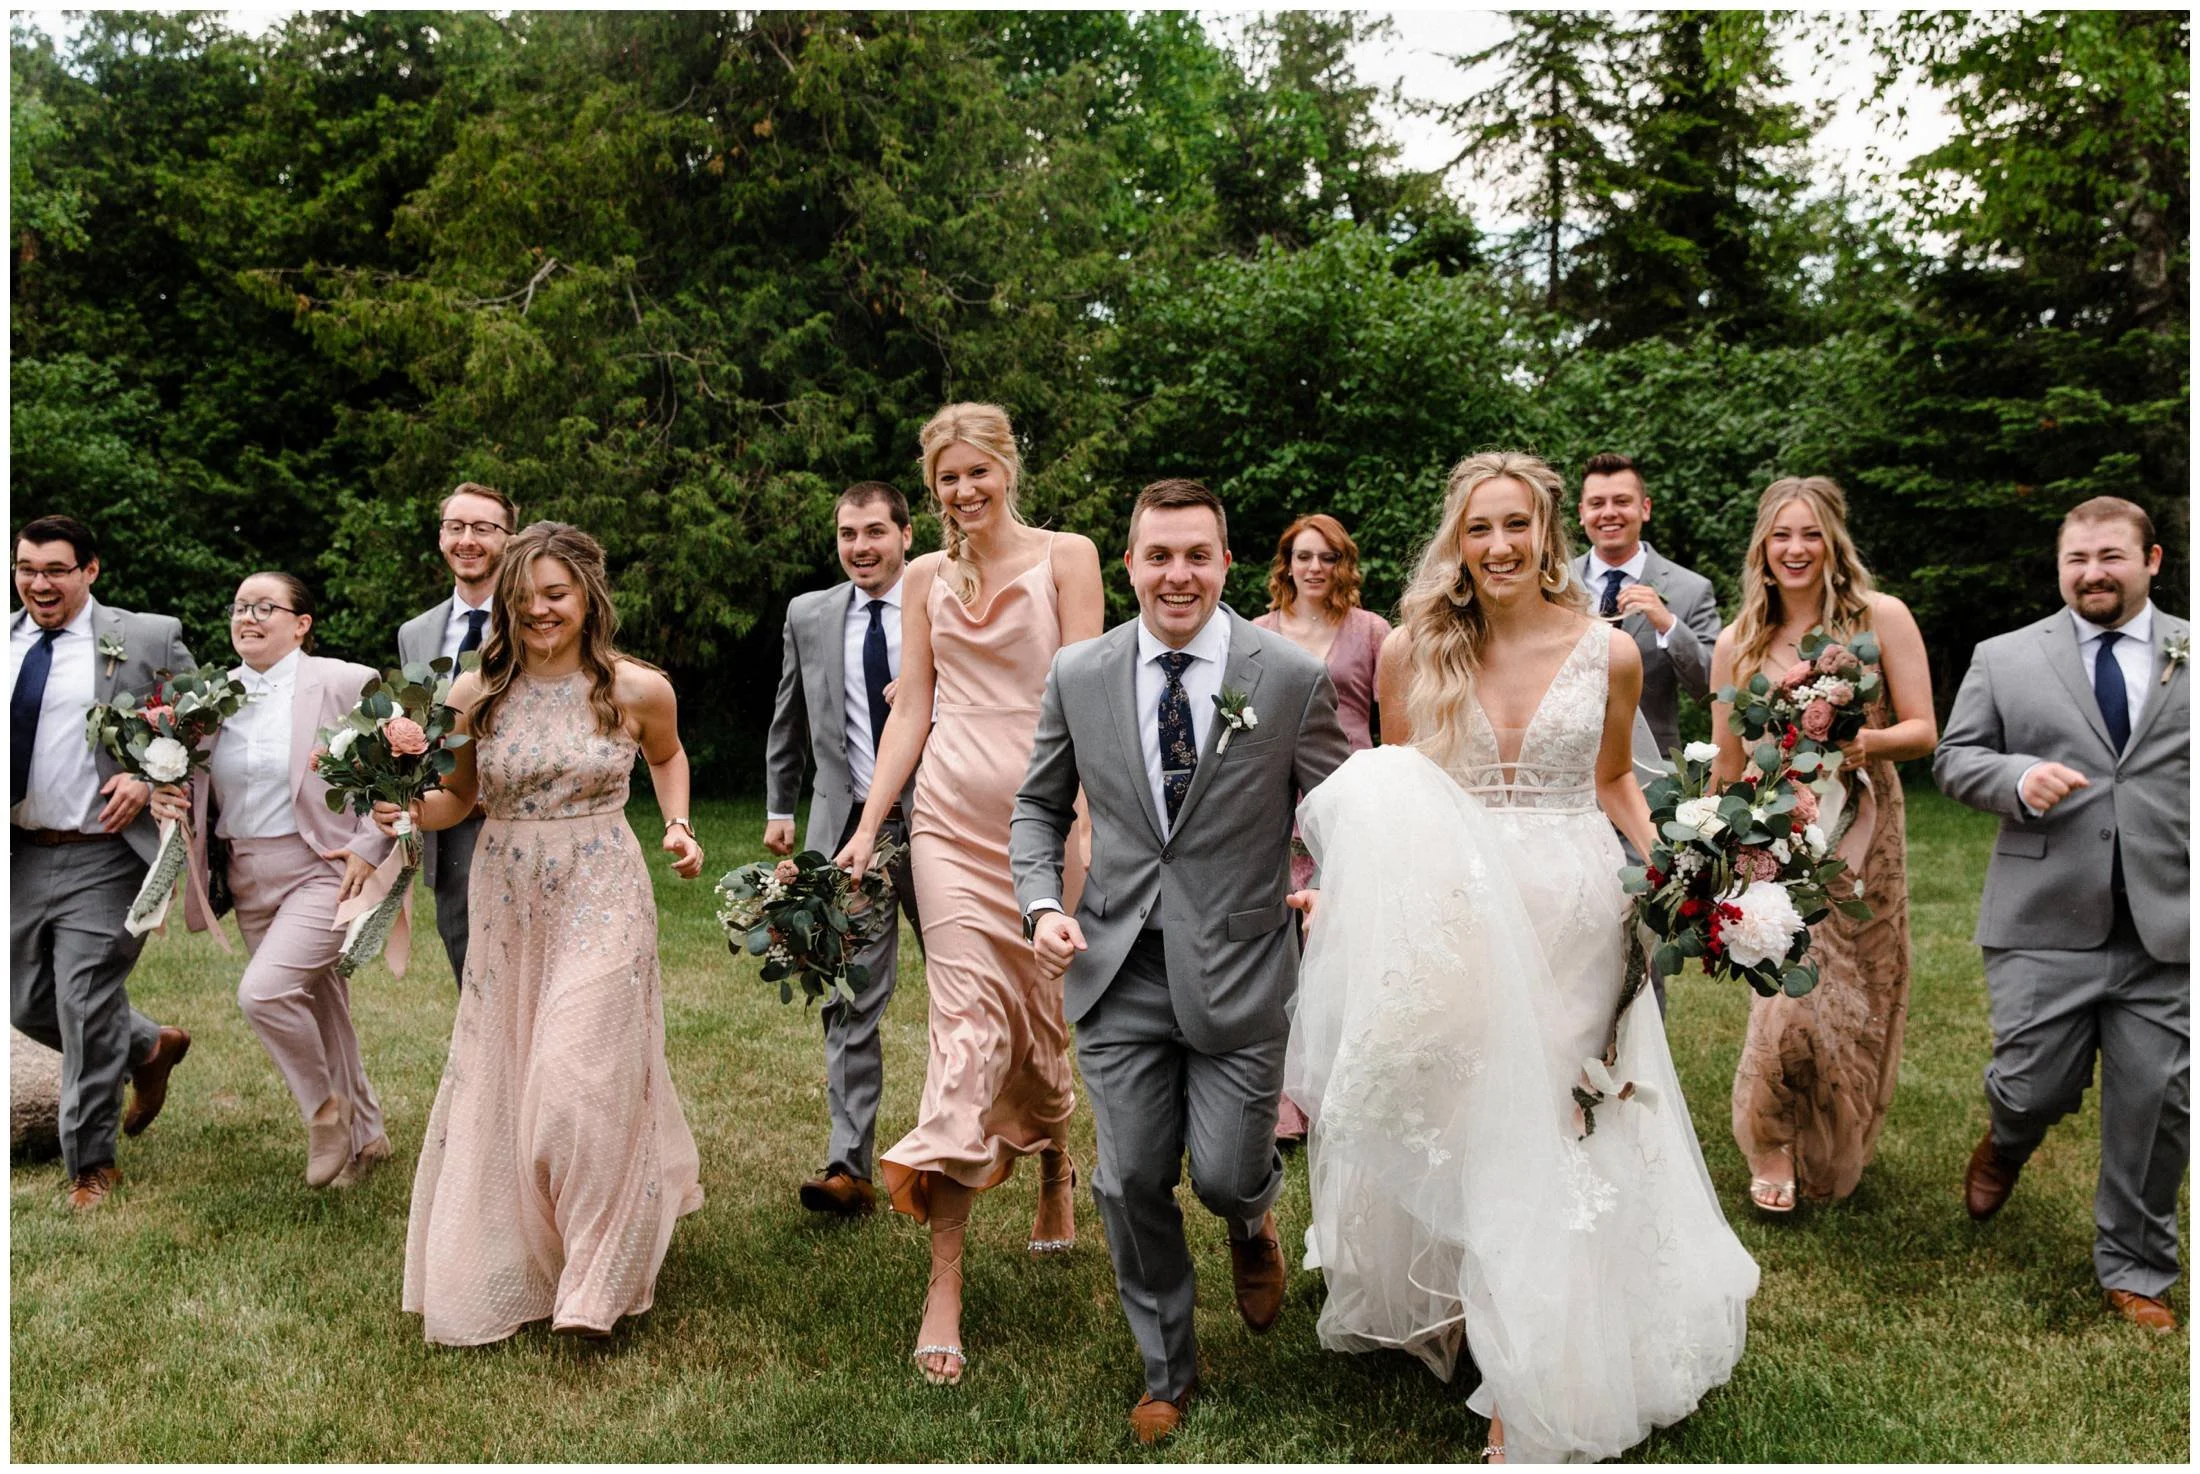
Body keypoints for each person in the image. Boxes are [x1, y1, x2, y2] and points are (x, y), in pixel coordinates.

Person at [1288, 451, 1757, 1463]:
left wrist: (1677, 871)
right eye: (1478, 528)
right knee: (1469, 1109)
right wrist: (1348, 889)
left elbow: (1615, 780)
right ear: (1456, 542)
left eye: (1516, 526)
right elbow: (1396, 790)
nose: (1498, 546)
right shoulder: (1414, 650)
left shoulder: (1609, 652)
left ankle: (1523, 1375)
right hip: (1456, 900)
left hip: (1576, 907)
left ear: (1548, 535)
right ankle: (1473, 1301)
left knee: (1558, 1121)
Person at [1012, 478, 1351, 1443]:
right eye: (1158, 555)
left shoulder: (1287, 677)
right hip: (1116, 961)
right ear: (1129, 564)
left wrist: (1332, 881)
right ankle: (1168, 1368)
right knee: (1127, 1178)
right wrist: (1043, 904)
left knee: (1226, 1174)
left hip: (1242, 964)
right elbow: (1037, 808)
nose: (1178, 575)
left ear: (1226, 563)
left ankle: (1251, 1218)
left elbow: (1341, 807)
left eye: (1197, 555)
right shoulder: (1081, 672)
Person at [833, 402, 1104, 1387]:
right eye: (947, 478)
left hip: (1044, 819)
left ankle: (1053, 1160)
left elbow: (1089, 697)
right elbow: (911, 707)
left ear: (1007, 468)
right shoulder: (921, 578)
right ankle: (943, 1284)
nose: (962, 490)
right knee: (962, 1030)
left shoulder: (1069, 558)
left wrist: (1086, 821)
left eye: (976, 471)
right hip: (946, 821)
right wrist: (870, 826)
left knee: (1041, 1016)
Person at [382, 522, 706, 1345]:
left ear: (588, 596)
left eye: (555, 595)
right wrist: (405, 807)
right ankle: (535, 1250)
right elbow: (458, 799)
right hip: (509, 895)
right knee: (516, 1074)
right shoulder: (475, 694)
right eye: (523, 599)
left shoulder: (636, 688)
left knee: (576, 1081)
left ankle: (595, 1284)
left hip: (604, 889)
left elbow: (668, 757)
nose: (539, 612)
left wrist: (678, 825)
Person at [1934, 495, 2188, 1334]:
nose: (2092, 573)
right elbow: (1954, 759)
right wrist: (2014, 778)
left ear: (2151, 561)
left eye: (2111, 556)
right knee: (2033, 1083)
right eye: (2077, 559)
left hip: (2169, 922)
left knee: (2156, 1101)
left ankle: (2137, 1268)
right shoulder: (2005, 657)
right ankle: (2009, 1138)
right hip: (2043, 916)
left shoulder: (2191, 649)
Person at [1710, 477, 1937, 1213]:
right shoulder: (1737, 642)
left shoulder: (1881, 618)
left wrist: (1863, 741)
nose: (1796, 548)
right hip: (1778, 834)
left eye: (1810, 534)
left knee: (1859, 989)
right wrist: (1716, 844)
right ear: (1762, 548)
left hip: (1864, 828)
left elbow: (1923, 729)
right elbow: (1726, 763)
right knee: (1789, 994)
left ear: (1833, 542)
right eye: (1782, 535)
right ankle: (1771, 1139)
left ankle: (1834, 1137)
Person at [153, 573, 393, 1189]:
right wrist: (163, 794)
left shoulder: (343, 682)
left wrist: (371, 844)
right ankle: (367, 1138)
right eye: (240, 607)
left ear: (301, 624)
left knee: (264, 993)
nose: (248, 618)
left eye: (265, 607)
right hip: (246, 871)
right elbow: (190, 784)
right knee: (319, 1001)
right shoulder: (208, 701)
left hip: (324, 867)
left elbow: (402, 770)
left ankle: (324, 1113)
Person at [9, 514, 195, 1211]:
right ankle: (146, 1045)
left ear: (90, 571)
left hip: (107, 853)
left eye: (56, 570)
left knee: (83, 1000)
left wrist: (148, 776)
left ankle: (91, 1165)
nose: (39, 583)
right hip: (22, 852)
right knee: (27, 1004)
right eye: (26, 569)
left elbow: (201, 721)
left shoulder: (144, 637)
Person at [762, 481, 923, 1217]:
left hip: (939, 818)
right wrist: (780, 807)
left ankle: (982, 1146)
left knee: (971, 989)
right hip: (850, 829)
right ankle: (848, 1167)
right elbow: (789, 714)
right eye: (848, 534)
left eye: (875, 532)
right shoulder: (809, 613)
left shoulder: (941, 603)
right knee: (848, 994)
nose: (860, 547)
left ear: (906, 535)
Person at [1252, 513, 1389, 1142]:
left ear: (1343, 564)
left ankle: (1342, 1095)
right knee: (1280, 954)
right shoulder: (1258, 634)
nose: (1314, 567)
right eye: (1303, 556)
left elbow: (1395, 721)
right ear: (1287, 564)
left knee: (1342, 951)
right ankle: (1283, 1105)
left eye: (1327, 557)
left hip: (1349, 804)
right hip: (1275, 807)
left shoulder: (1373, 633)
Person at [396, 483, 514, 990]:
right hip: (452, 827)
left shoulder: (539, 619)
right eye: (455, 527)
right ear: (441, 538)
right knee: (470, 971)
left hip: (525, 817)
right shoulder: (415, 633)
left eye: (483, 528)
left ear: (509, 539)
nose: (467, 540)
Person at [1574, 453, 1721, 775]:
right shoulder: (1554, 585)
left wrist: (1668, 625)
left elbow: (1713, 689)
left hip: (1652, 774)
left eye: (1622, 501)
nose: (1609, 513)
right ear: (1582, 513)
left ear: (1645, 508)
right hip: (1566, 770)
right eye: (1597, 503)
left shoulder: (1691, 589)